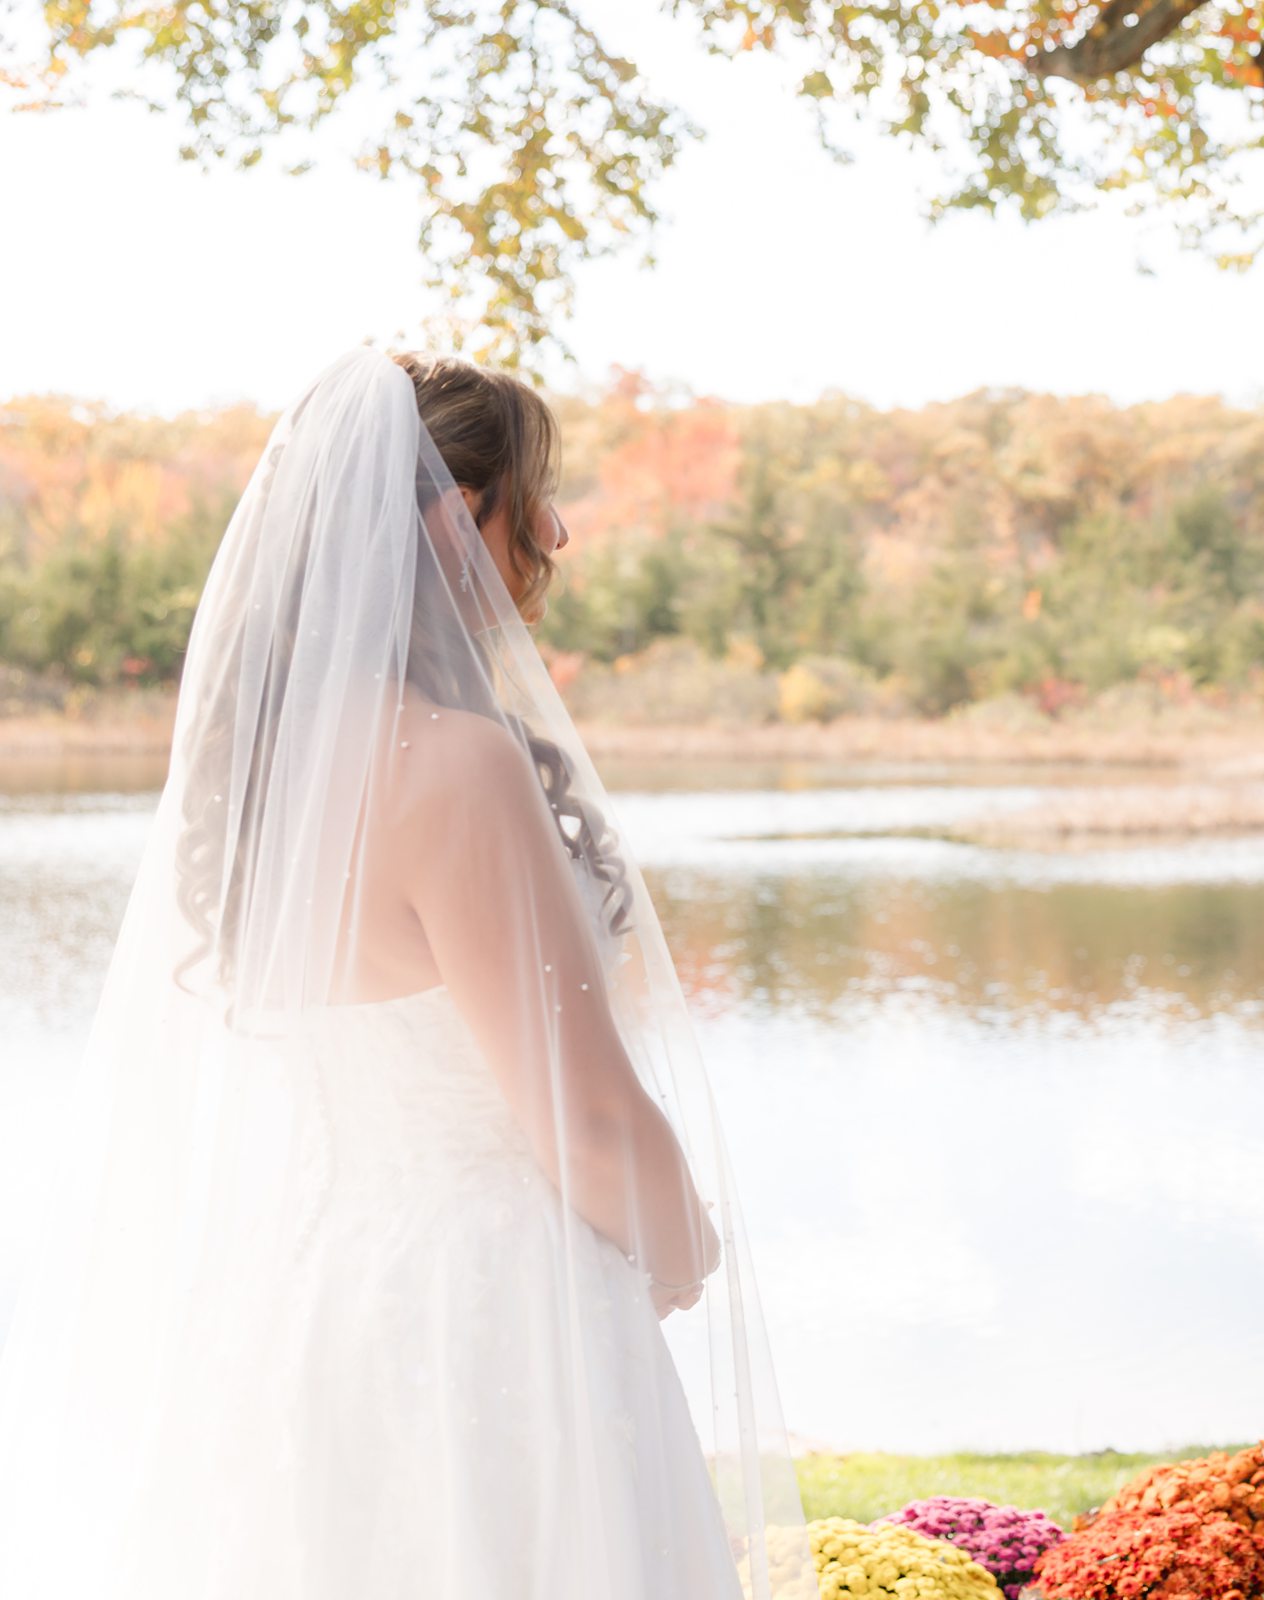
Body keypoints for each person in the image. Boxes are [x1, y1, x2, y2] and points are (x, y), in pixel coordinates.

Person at [0, 348, 813, 1598]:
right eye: (526, 499)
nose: (553, 531)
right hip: (494, 1309)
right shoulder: (456, 765)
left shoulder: (270, 781)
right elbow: (583, 1111)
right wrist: (687, 1244)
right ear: (449, 516)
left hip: (317, 1296)